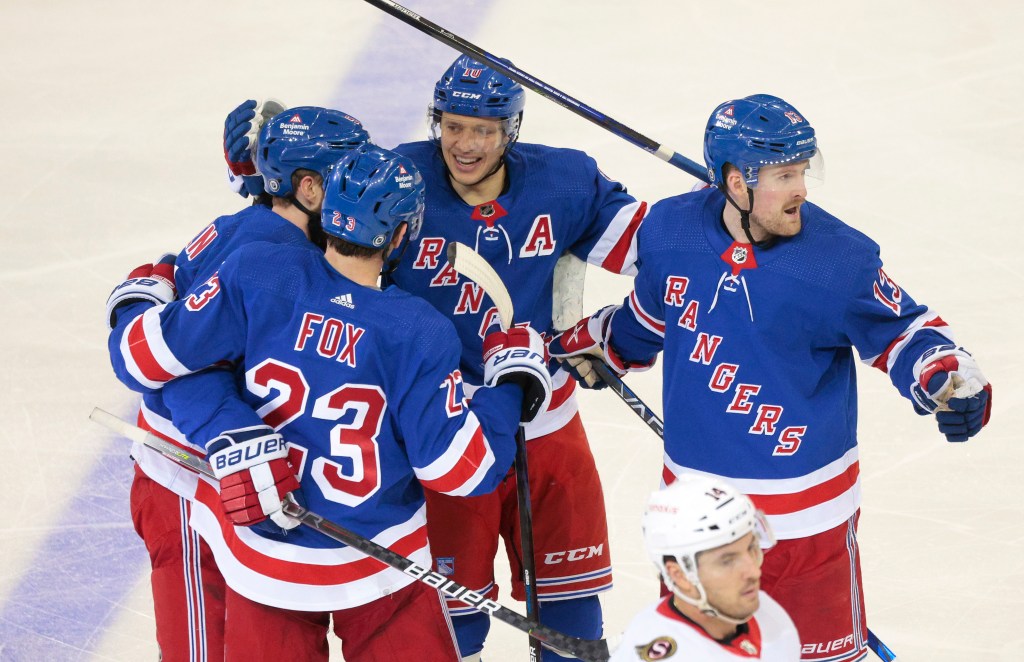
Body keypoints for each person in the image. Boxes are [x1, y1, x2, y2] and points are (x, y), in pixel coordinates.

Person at [220, 55, 648, 661]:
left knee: (570, 609)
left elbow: (669, 259)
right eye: (453, 125)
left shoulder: (566, 180)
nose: (465, 144)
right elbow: (316, 220)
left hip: (547, 420)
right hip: (439, 427)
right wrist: (264, 176)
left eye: (483, 129)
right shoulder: (397, 179)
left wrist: (623, 332)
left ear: (511, 131)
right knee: (455, 620)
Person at [550, 94, 992, 662]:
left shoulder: (834, 260)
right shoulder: (670, 232)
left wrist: (948, 378)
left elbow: (905, 331)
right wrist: (603, 346)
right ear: (736, 183)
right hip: (697, 519)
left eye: (803, 171)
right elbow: (654, 313)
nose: (801, 189)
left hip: (805, 523)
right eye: (784, 175)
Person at [107, 144, 554, 661]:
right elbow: (460, 469)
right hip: (382, 567)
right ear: (402, 234)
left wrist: (139, 301)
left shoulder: (258, 272)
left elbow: (145, 362)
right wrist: (511, 385)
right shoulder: (415, 329)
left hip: (266, 562)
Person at [103, 104, 369, 662]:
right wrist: (231, 430)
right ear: (311, 189)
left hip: (236, 478)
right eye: (348, 176)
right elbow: (158, 365)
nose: (360, 191)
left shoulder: (272, 229)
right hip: (185, 473)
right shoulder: (269, 254)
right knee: (199, 649)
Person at [611, 473, 800, 661]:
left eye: (751, 548)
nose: (754, 571)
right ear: (680, 575)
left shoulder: (768, 616)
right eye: (727, 561)